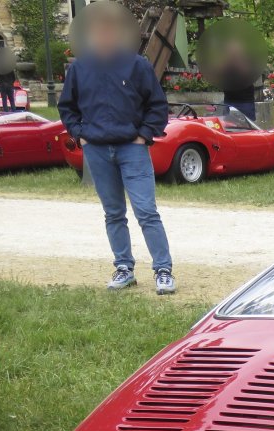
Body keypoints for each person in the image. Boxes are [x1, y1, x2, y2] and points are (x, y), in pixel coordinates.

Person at [58, 5, 174, 295]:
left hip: (131, 149)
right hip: (97, 150)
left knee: (146, 211)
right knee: (113, 213)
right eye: (98, 31)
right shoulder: (80, 68)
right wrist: (80, 134)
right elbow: (67, 107)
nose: (104, 35)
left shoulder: (137, 66)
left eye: (109, 30)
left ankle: (163, 270)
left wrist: (143, 135)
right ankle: (124, 268)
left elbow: (157, 106)